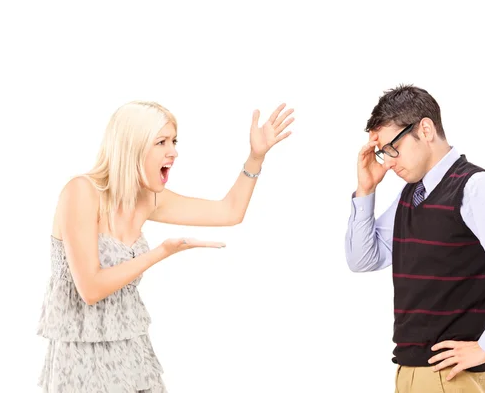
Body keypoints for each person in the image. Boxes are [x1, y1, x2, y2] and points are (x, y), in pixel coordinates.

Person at [36, 101, 294, 392]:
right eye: (161, 142)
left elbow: (229, 212)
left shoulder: (148, 198)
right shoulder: (81, 192)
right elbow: (91, 289)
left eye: (173, 141)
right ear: (131, 146)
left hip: (130, 349)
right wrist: (161, 252)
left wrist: (255, 158)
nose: (173, 151)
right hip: (80, 356)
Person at [344, 85, 485, 393]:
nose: (387, 162)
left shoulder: (476, 189)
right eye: (382, 151)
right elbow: (362, 259)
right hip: (413, 374)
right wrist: (366, 190)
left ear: (425, 129)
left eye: (392, 148)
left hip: (452, 379)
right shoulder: (412, 195)